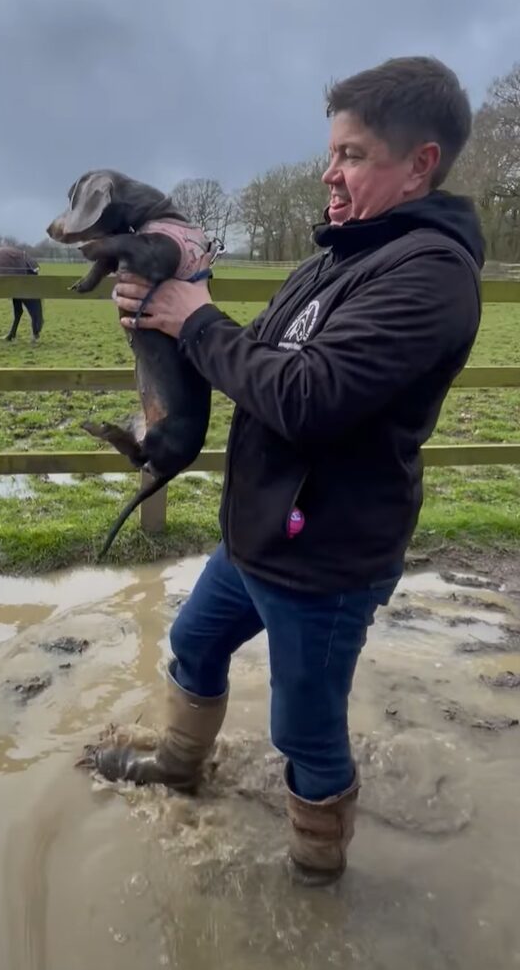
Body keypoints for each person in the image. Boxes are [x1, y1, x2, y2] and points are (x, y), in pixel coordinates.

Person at [82, 56, 484, 886]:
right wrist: (171, 312)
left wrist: (194, 321)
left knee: (304, 730)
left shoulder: (432, 276)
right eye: (331, 152)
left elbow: (305, 397)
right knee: (192, 646)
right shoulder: (335, 256)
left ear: (420, 163)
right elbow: (252, 357)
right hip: (261, 531)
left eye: (354, 155)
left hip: (327, 557)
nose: (329, 173)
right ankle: (180, 766)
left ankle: (315, 871)